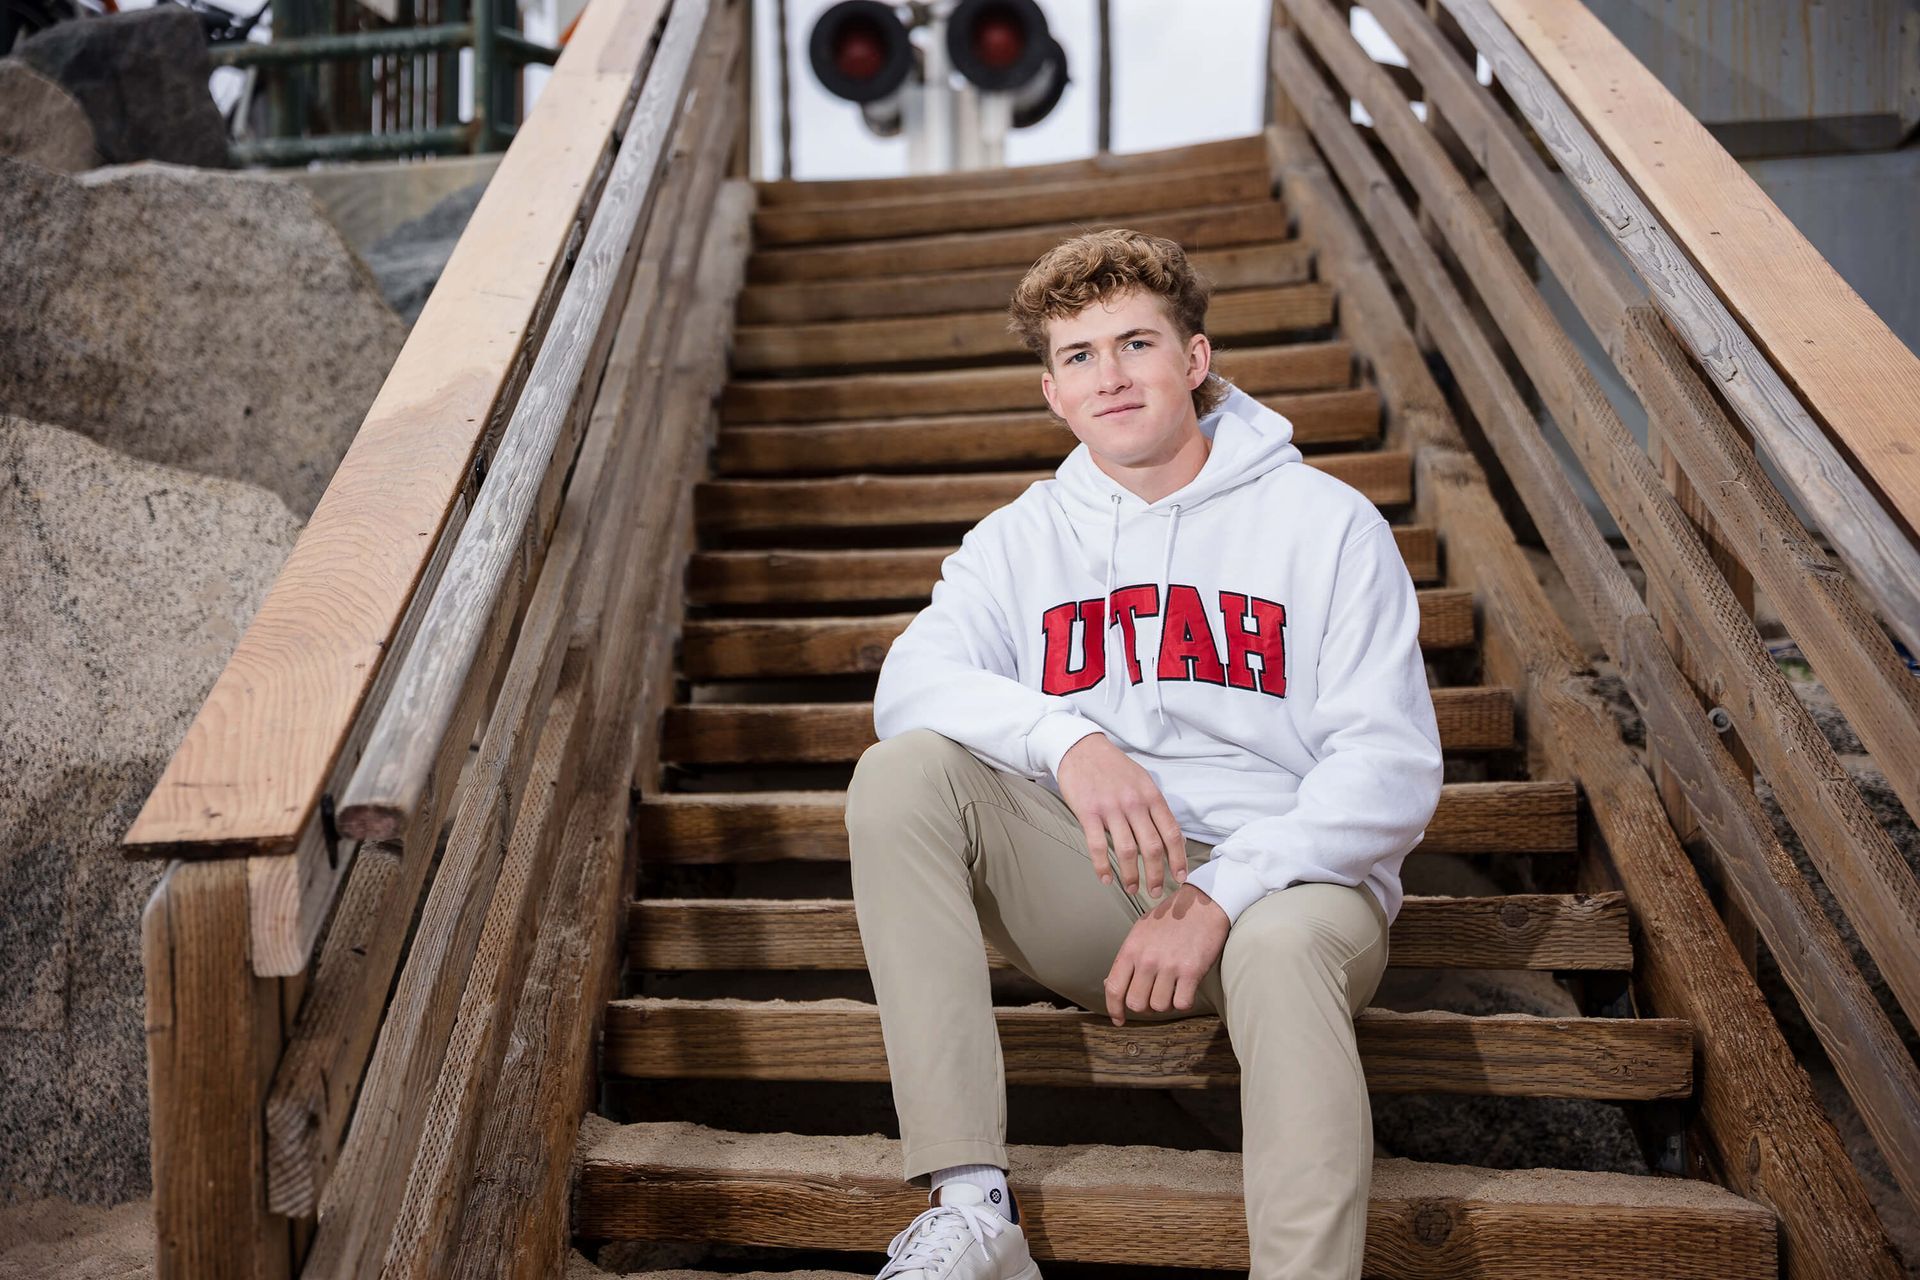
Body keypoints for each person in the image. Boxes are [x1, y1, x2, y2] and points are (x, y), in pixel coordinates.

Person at [846, 228, 1444, 1280]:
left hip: (1286, 892)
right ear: (1052, 390)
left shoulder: (1328, 524)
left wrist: (1224, 888)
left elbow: (1388, 767)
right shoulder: (1018, 541)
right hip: (1103, 888)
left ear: (1195, 359)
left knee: (1279, 944)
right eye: (1080, 356)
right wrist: (1070, 740)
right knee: (901, 773)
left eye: (1136, 344)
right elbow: (910, 683)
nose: (1110, 376)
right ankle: (974, 1210)